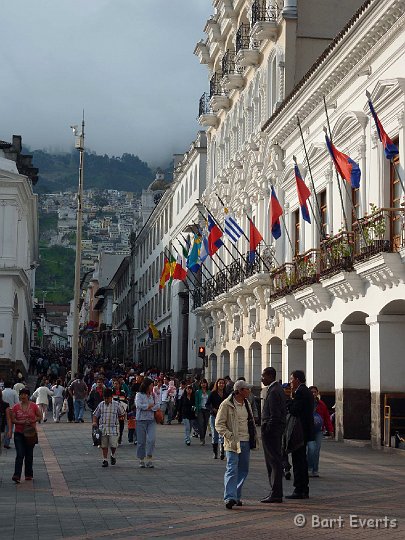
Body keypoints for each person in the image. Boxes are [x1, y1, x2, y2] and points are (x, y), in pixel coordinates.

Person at [215, 380, 258, 509]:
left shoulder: (247, 403)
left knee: (243, 470)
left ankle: (236, 495)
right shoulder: (226, 404)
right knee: (232, 468)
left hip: (246, 440)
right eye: (247, 389)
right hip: (233, 442)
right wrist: (229, 435)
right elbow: (219, 424)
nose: (249, 391)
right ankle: (229, 497)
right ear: (239, 390)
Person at [285, 370, 314, 500]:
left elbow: (295, 410)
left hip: (300, 431)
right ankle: (303, 489)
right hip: (305, 430)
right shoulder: (305, 391)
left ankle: (299, 489)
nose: (290, 382)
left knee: (298, 460)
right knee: (301, 460)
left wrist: (288, 401)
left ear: (297, 379)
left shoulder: (301, 392)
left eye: (291, 379)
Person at [260, 367, 286, 503]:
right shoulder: (275, 389)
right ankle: (275, 492)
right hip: (274, 430)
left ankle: (276, 493)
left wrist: (267, 429)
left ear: (270, 376)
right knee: (274, 461)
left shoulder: (275, 391)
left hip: (272, 432)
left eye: (264, 376)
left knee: (273, 462)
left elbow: (275, 414)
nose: (262, 378)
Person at [10, 388, 41, 483]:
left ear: (28, 395)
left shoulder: (34, 406)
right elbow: (13, 419)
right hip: (19, 433)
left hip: (30, 434)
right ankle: (17, 475)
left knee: (29, 454)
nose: (22, 396)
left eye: (24, 394)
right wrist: (21, 422)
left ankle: (28, 474)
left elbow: (39, 416)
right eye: (21, 394)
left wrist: (32, 421)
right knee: (20, 454)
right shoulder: (15, 407)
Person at [92, 388, 126, 468]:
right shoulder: (101, 404)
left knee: (113, 445)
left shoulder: (117, 404)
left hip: (113, 428)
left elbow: (122, 413)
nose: (106, 400)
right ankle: (105, 460)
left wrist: (121, 419)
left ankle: (112, 455)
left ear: (111, 397)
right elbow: (95, 414)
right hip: (103, 428)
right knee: (104, 445)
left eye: (107, 398)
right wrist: (94, 422)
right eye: (105, 398)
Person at [307, 386, 334, 477]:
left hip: (319, 430)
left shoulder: (321, 404)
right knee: (311, 448)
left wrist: (330, 430)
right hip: (309, 430)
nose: (313, 394)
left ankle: (315, 469)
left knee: (316, 450)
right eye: (311, 392)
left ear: (317, 393)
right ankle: (309, 468)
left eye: (315, 392)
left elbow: (326, 418)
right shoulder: (305, 403)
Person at [135, 377, 159, 468]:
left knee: (151, 439)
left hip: (151, 420)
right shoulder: (139, 395)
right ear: (146, 386)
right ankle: (141, 459)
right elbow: (139, 405)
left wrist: (149, 407)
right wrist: (149, 406)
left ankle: (149, 457)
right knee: (141, 441)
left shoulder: (153, 395)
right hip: (140, 420)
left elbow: (157, 405)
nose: (152, 386)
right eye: (151, 385)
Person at [206, 378, 226, 459]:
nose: (221, 385)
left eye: (223, 383)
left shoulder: (226, 394)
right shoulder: (213, 393)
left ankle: (222, 452)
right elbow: (207, 404)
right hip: (214, 416)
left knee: (222, 434)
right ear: (217, 384)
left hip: (223, 417)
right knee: (215, 434)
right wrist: (213, 409)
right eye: (220, 383)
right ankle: (215, 452)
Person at [195, 379, 210, 446]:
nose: (203, 384)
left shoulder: (209, 392)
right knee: (201, 424)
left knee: (205, 425)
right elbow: (196, 402)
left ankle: (203, 437)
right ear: (200, 384)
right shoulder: (198, 392)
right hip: (200, 409)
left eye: (205, 383)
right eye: (202, 383)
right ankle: (202, 438)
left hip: (207, 410)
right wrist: (196, 411)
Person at [0, 389, 12, 453]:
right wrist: (10, 430)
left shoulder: (5, 405)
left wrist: (9, 430)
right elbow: (8, 418)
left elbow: (8, 418)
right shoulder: (5, 404)